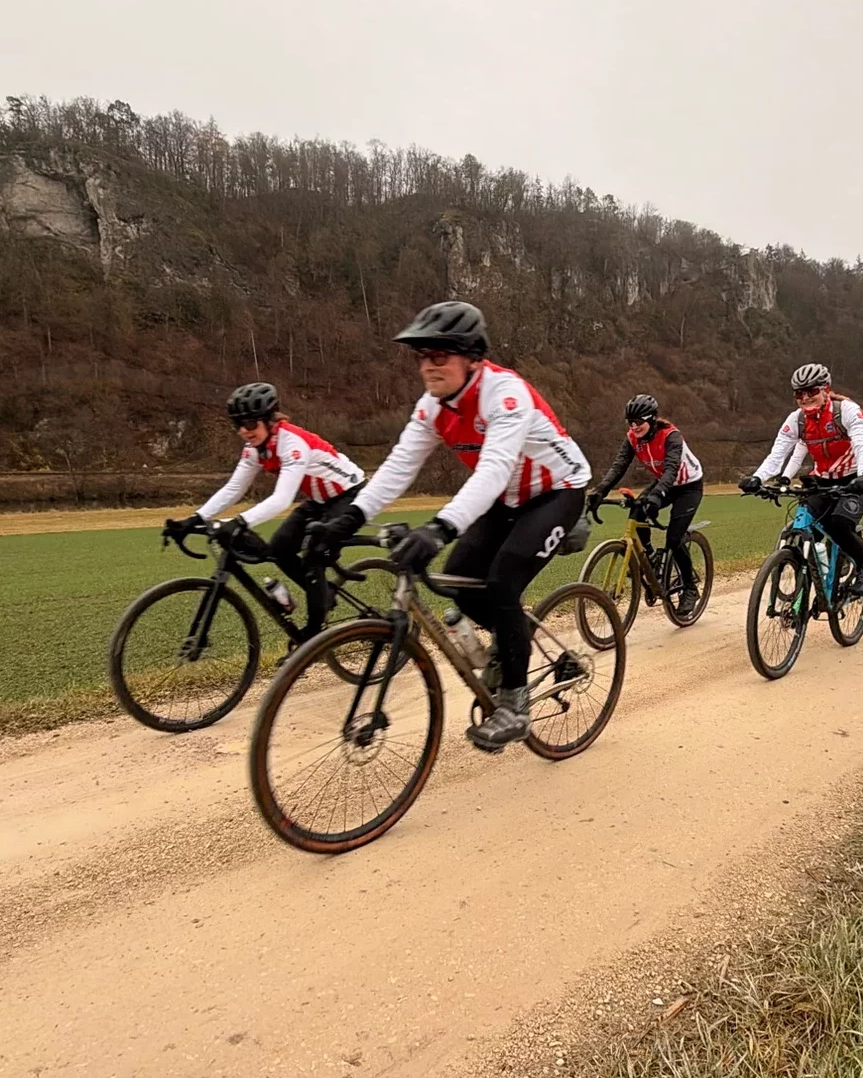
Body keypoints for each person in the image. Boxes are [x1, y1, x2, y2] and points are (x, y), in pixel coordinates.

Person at [308, 301, 590, 753]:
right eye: (421, 356)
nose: (428, 366)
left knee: (502, 583)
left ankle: (515, 706)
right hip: (506, 498)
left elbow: (494, 469)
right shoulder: (432, 407)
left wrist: (440, 528)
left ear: (472, 357)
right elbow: (399, 466)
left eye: (439, 355)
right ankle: (514, 642)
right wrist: (348, 519)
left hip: (557, 491)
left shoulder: (505, 394)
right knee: (459, 580)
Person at [166, 382, 365, 641]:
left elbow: (282, 499)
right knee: (280, 548)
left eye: (250, 423)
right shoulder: (255, 449)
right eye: (237, 424)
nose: (243, 431)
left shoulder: (292, 444)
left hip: (350, 495)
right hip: (320, 500)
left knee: (314, 551)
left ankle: (315, 635)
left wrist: (240, 522)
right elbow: (234, 488)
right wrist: (196, 518)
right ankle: (324, 594)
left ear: (270, 420)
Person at [736, 362, 863, 595]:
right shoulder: (797, 420)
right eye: (799, 393)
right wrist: (758, 478)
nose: (805, 398)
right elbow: (778, 454)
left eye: (811, 391)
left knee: (839, 525)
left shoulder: (846, 411)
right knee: (807, 529)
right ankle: (805, 597)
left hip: (853, 481)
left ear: (826, 389)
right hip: (821, 481)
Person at [586, 394, 705, 618]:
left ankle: (690, 587)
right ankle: (650, 558)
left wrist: (658, 495)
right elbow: (619, 466)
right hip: (664, 483)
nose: (634, 427)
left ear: (651, 419)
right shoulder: (633, 438)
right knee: (637, 510)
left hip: (688, 486)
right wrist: (600, 490)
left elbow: (671, 469)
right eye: (630, 422)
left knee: (674, 538)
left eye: (638, 421)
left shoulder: (671, 436)